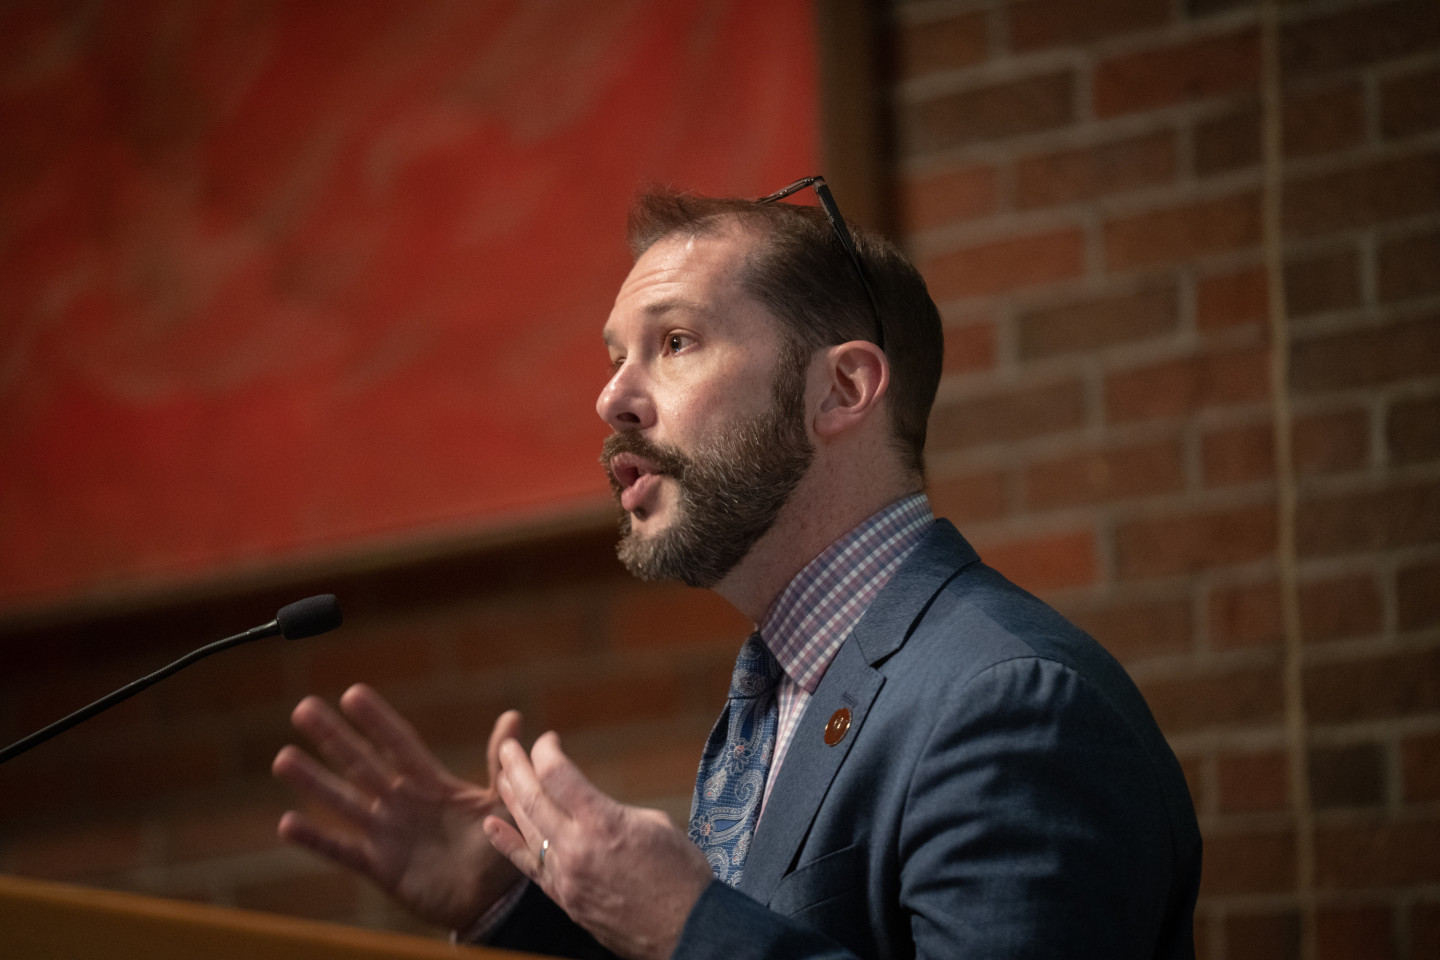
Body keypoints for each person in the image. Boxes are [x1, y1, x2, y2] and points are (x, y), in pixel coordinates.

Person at [272, 178, 1202, 960]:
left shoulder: (1008, 704)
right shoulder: (788, 687)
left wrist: (687, 921)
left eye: (674, 342)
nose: (611, 398)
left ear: (841, 389)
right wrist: (521, 902)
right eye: (614, 358)